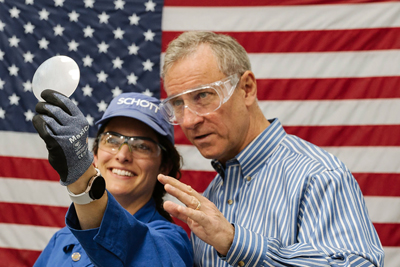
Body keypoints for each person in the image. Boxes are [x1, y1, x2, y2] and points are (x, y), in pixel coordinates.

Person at [157, 31, 384, 266]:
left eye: (203, 95)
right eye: (177, 103)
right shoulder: (213, 194)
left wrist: (235, 242)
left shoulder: (317, 175)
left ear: (246, 88)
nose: (188, 121)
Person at [32, 90, 193, 266]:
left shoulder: (171, 242)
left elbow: (133, 249)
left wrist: (79, 173)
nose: (123, 155)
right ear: (94, 154)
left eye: (142, 146)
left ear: (164, 166)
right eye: (112, 140)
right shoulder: (62, 239)